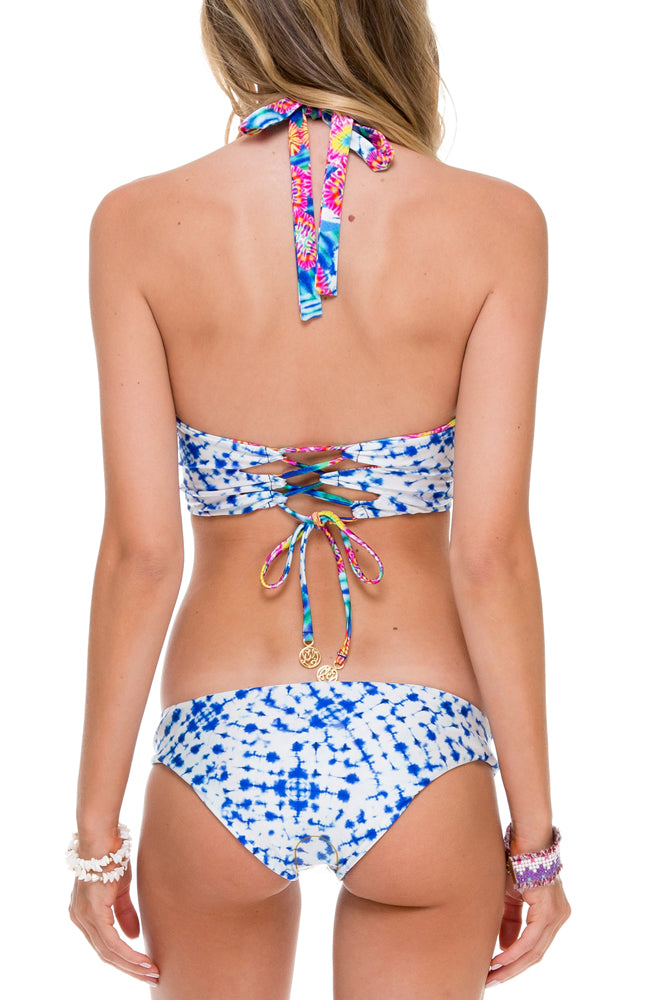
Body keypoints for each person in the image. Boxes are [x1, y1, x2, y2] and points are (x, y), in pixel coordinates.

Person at [67, 1, 571, 996]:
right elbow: (490, 558)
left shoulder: (136, 223)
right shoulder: (498, 223)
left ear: (232, 26)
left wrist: (95, 838)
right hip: (422, 744)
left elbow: (141, 556)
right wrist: (536, 843)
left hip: (219, 741)